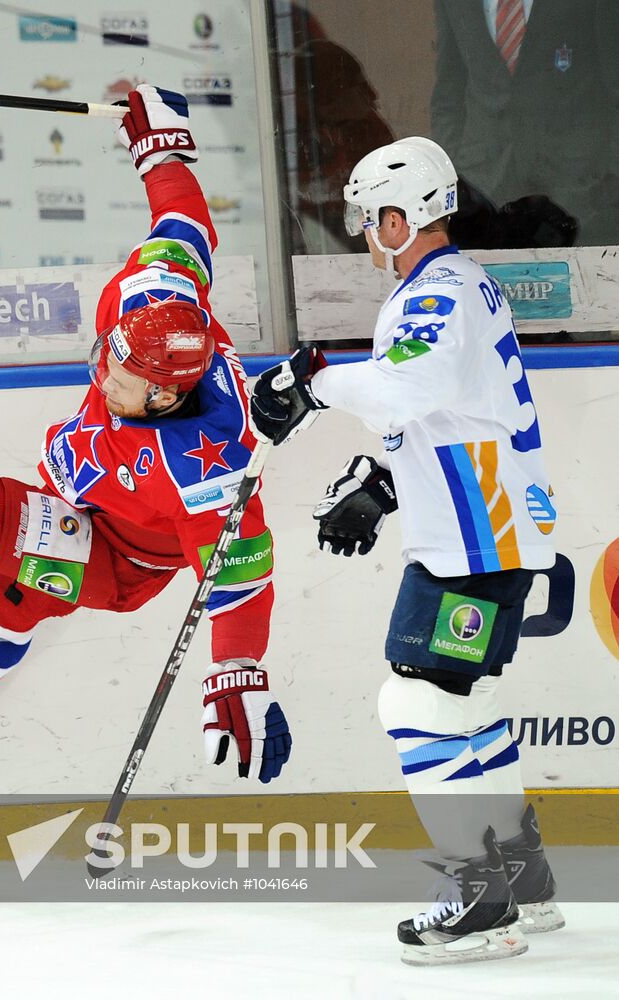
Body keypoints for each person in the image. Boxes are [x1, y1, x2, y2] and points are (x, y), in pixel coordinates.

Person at [0, 86, 291, 784]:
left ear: (164, 393)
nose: (103, 375)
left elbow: (241, 588)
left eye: (120, 379)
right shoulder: (152, 301)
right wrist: (159, 146)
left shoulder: (210, 474)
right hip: (81, 500)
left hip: (122, 559)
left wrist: (237, 672)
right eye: (108, 357)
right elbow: (184, 222)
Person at [247, 136, 562, 966]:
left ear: (400, 217)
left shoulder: (440, 292)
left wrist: (312, 382)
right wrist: (380, 480)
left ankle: (481, 897)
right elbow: (438, 409)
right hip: (481, 531)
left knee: (416, 704)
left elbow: (404, 387)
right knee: (463, 705)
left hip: (475, 537)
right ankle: (518, 877)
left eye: (368, 219)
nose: (361, 234)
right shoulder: (452, 289)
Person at [432, 0, 619, 246]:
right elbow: (449, 93)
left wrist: (608, 175)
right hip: (484, 195)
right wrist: (453, 174)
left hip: (580, 197)